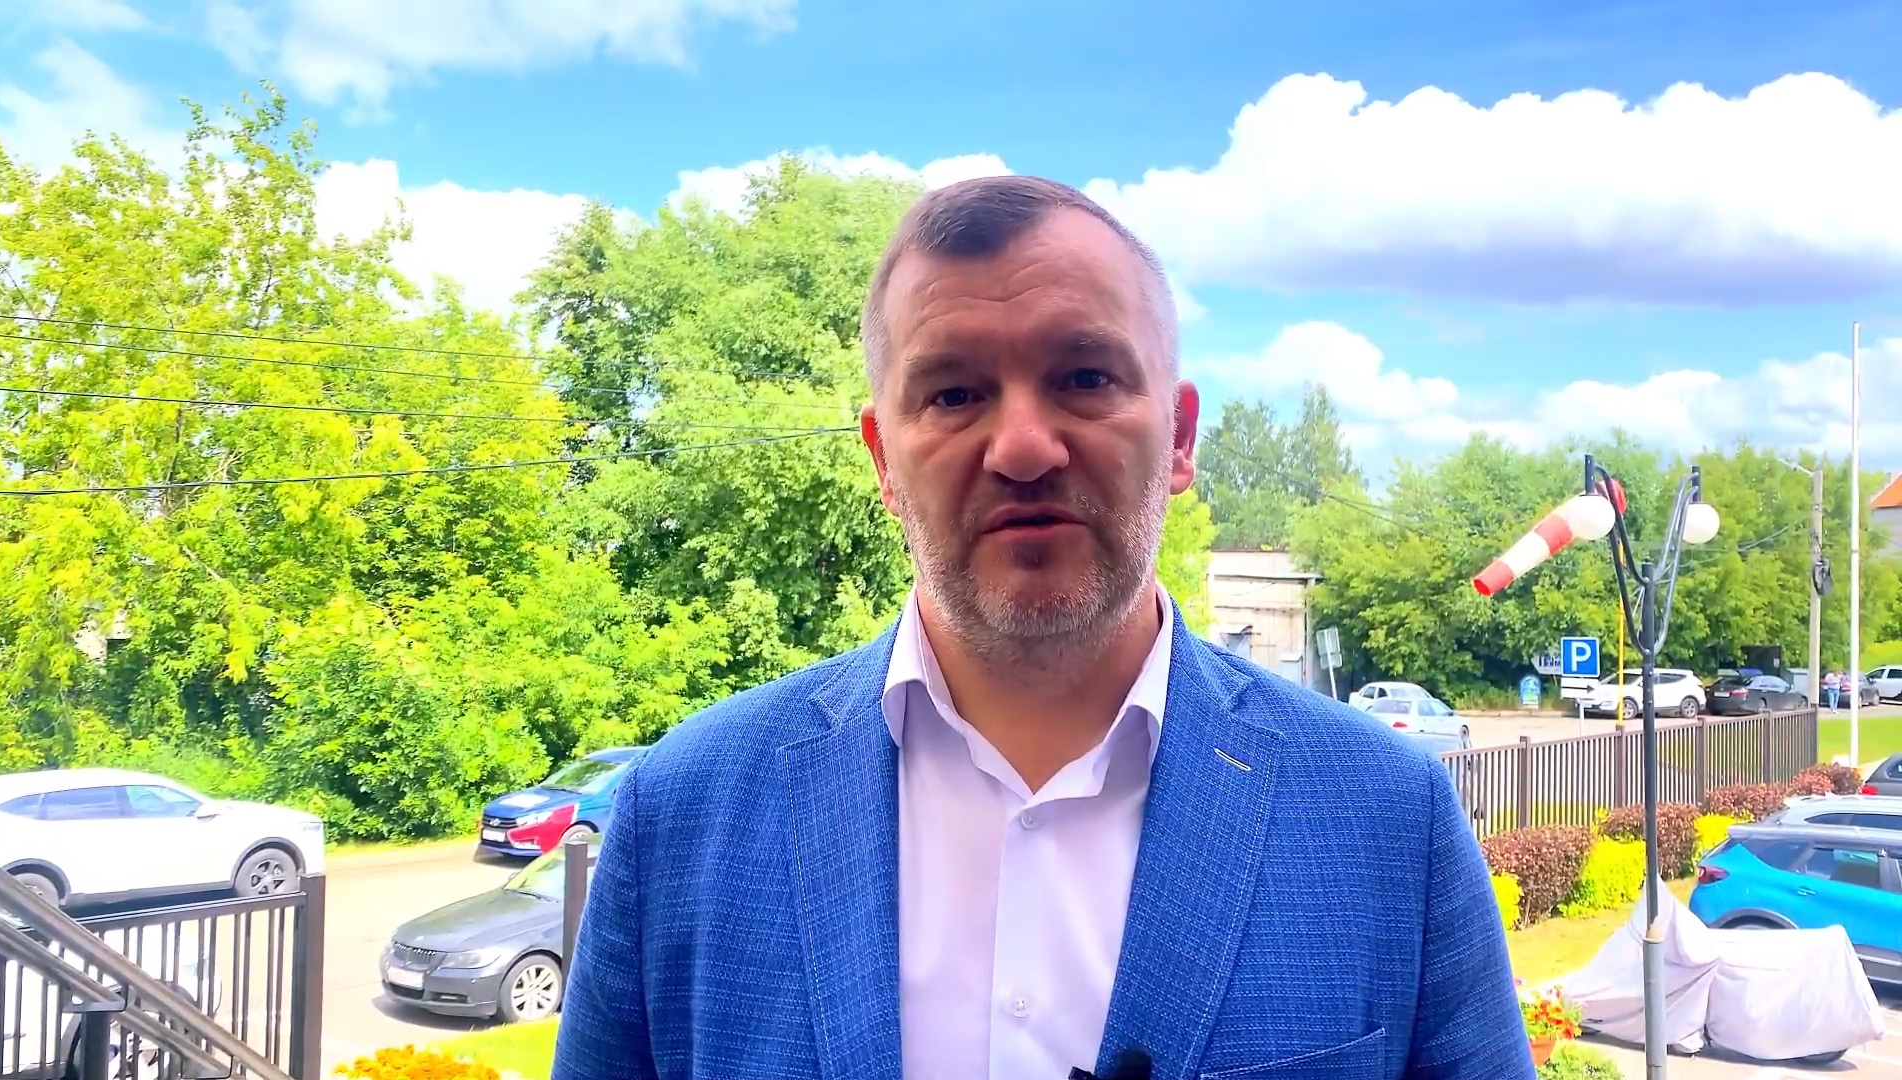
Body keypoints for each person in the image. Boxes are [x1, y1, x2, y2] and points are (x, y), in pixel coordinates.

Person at [552, 175, 1534, 1080]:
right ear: (883, 460)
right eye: (954, 394)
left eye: (1085, 377)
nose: (1023, 447)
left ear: (1180, 436)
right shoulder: (682, 818)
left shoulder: (1389, 820)